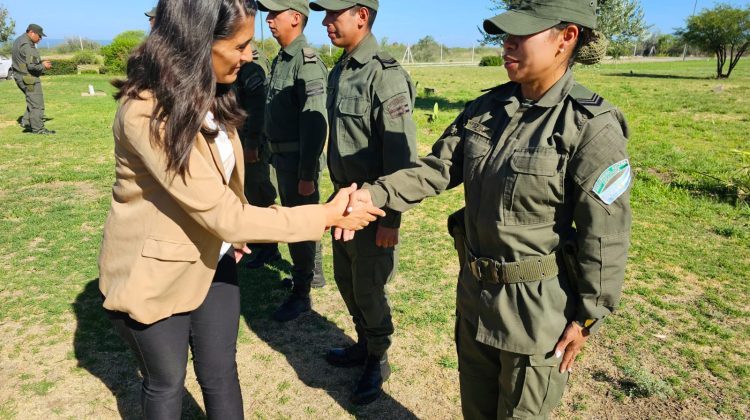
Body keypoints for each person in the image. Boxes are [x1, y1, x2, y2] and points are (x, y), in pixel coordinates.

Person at [344, 0, 632, 417]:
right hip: (476, 303)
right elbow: (438, 167)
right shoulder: (487, 109)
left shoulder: (590, 126)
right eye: (506, 34)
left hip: (535, 320)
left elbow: (605, 236)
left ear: (566, 38)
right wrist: (375, 194)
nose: (507, 44)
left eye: (522, 34)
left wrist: (588, 318)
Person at [98, 0, 383, 418]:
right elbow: (223, 213)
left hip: (215, 258)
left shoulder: (211, 92)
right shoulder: (147, 111)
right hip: (155, 274)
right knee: (165, 386)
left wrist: (234, 233)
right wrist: (326, 214)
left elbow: (225, 193)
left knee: (220, 374)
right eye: (240, 45)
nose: (250, 55)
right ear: (198, 42)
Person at [310, 0, 419, 405]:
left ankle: (378, 357)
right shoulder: (340, 68)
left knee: (369, 288)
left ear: (361, 15)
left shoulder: (385, 76)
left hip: (373, 208)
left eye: (333, 14)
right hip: (341, 201)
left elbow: (402, 158)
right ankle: (362, 342)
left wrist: (391, 219)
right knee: (346, 281)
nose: (325, 21)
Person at [257, 0, 330, 322]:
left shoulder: (306, 63)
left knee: (299, 227)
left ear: (296, 18)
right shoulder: (282, 60)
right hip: (281, 157)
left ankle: (301, 293)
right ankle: (313, 275)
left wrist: (307, 172)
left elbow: (315, 123)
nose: (269, 21)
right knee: (302, 221)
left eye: (275, 14)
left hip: (296, 162)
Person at [234, 46, 284, 270]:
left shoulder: (251, 69)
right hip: (238, 141)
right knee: (245, 193)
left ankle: (269, 248)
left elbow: (257, 109)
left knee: (259, 193)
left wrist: (253, 142)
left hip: (251, 143)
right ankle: (255, 243)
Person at [11, 24, 54, 135]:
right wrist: (44, 66)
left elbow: (24, 61)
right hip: (29, 78)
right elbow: (32, 66)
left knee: (32, 100)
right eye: (39, 36)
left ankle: (26, 122)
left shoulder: (18, 41)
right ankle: (38, 129)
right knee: (37, 105)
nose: (40, 39)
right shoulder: (28, 46)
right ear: (31, 32)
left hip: (19, 76)